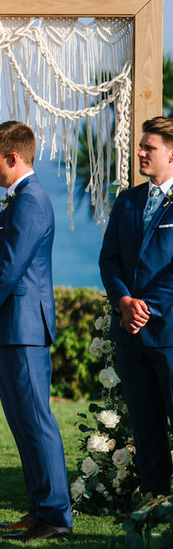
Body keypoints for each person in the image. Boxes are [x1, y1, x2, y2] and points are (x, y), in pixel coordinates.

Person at [0, 121, 73, 541]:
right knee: (22, 424)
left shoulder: (29, 201)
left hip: (23, 329)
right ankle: (40, 509)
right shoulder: (14, 199)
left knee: (36, 422)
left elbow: (9, 268)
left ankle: (56, 517)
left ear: (13, 158)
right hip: (10, 329)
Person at [99, 116, 173, 497]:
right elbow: (108, 259)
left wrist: (145, 307)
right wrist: (124, 302)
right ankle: (155, 508)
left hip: (169, 333)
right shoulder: (128, 200)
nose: (140, 152)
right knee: (146, 431)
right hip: (131, 338)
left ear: (172, 155)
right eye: (141, 146)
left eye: (150, 148)